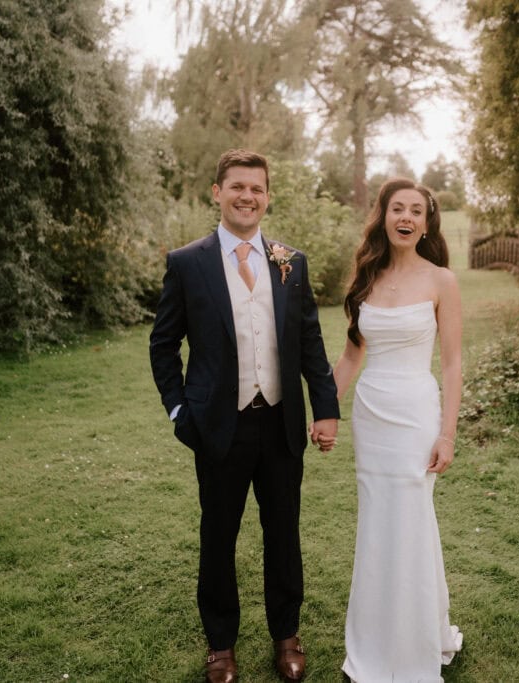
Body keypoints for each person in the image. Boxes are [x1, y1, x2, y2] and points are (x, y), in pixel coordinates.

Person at [149, 149, 340, 683]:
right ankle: (221, 646)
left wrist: (324, 409)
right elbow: (163, 345)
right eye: (237, 186)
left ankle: (287, 638)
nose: (247, 197)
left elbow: (308, 341)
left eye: (256, 188)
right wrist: (179, 411)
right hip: (218, 428)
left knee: (284, 534)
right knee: (219, 536)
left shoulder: (289, 261)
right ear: (217, 191)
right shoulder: (188, 262)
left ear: (267, 195)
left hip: (279, 425)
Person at [332, 178, 464, 682]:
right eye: (396, 209)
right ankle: (371, 643)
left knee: (410, 524)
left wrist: (446, 434)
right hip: (372, 416)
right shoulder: (366, 278)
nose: (405, 217)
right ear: (383, 217)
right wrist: (325, 410)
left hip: (415, 416)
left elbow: (451, 365)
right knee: (376, 528)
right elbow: (350, 356)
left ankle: (413, 646)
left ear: (426, 223)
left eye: (416, 211)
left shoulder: (441, 282)